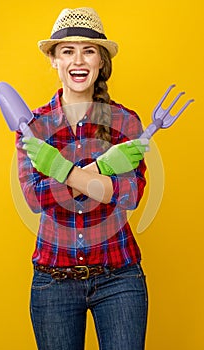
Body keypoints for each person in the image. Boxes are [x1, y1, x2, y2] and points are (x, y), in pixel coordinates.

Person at [16, 7, 149, 350]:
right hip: (53, 282)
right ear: (54, 60)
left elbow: (129, 194)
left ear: (101, 62)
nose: (79, 60)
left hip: (119, 278)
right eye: (67, 51)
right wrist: (102, 171)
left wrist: (62, 171)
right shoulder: (33, 128)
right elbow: (35, 199)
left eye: (89, 50)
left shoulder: (125, 122)